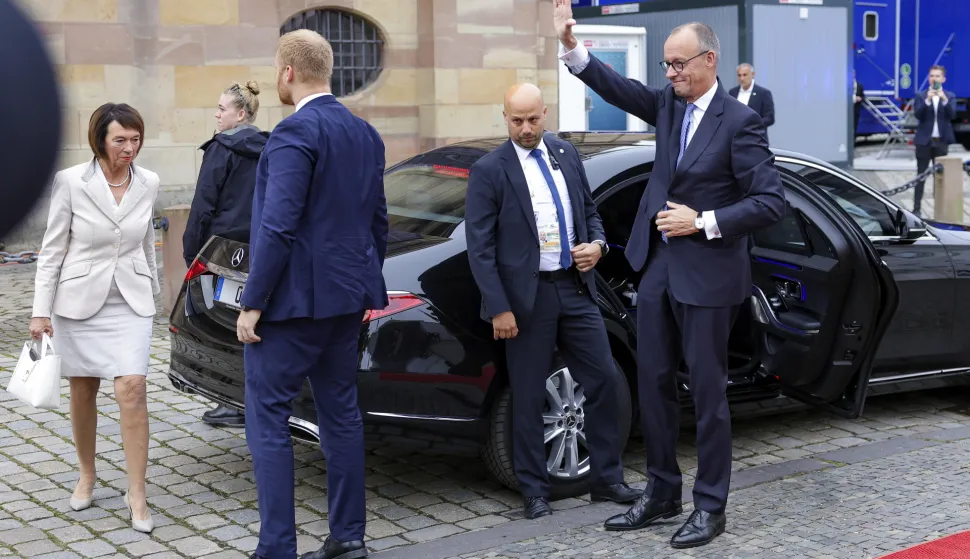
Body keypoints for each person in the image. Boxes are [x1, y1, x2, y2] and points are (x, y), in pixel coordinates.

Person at [554, 1, 785, 548]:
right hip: (657, 268)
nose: (672, 73)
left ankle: (711, 507)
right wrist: (572, 47)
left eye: (679, 64)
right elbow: (618, 89)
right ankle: (661, 495)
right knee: (653, 384)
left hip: (710, 276)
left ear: (709, 60)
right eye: (666, 65)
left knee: (707, 394)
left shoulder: (742, 123)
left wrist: (702, 220)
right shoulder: (669, 105)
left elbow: (770, 203)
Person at [236, 29, 387, 559]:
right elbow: (378, 224)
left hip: (291, 306)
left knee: (268, 418)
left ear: (287, 73)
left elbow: (277, 226)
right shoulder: (366, 135)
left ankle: (277, 548)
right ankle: (349, 538)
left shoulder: (293, 132)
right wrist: (362, 284)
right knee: (340, 414)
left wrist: (253, 300)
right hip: (346, 301)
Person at [465, 83, 641, 520]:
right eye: (517, 120)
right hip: (527, 299)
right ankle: (534, 490)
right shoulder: (490, 170)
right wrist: (499, 307)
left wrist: (597, 245)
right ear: (504, 117)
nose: (526, 129)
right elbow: (480, 248)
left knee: (603, 381)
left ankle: (607, 480)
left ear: (546, 113)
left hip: (576, 288)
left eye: (533, 119)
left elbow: (590, 212)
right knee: (526, 396)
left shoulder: (565, 154)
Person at [29, 103, 160, 534]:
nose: (129, 148)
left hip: (131, 302)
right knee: (83, 389)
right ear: (100, 140)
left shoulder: (149, 182)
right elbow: (52, 250)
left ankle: (136, 493)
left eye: (135, 139)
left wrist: (155, 294)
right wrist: (40, 311)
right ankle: (87, 474)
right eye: (120, 139)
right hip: (79, 301)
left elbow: (144, 245)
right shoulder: (71, 182)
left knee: (133, 388)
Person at [184, 80, 269, 428]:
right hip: (260, 249)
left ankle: (233, 402)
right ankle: (253, 400)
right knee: (253, 326)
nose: (217, 114)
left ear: (241, 113)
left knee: (222, 326)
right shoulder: (271, 146)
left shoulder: (222, 148)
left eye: (222, 108)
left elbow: (204, 204)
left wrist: (191, 253)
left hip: (221, 252)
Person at [912, 65, 956, 216]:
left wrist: (944, 100)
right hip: (924, 142)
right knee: (920, 175)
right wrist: (928, 100)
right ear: (929, 78)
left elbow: (952, 115)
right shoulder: (921, 95)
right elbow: (917, 115)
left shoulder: (950, 96)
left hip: (941, 141)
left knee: (940, 177)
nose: (934, 79)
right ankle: (916, 208)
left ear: (943, 79)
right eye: (932, 76)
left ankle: (940, 208)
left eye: (937, 76)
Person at [729, 63, 775, 141]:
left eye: (745, 75)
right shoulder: (733, 93)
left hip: (757, 139)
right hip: (736, 139)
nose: (742, 78)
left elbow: (769, 118)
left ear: (753, 74)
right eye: (739, 75)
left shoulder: (763, 93)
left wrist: (752, 126)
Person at [853, 69, 865, 138]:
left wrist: (860, 98)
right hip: (846, 110)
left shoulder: (859, 86)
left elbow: (863, 97)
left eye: (853, 73)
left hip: (856, 109)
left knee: (854, 126)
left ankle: (853, 142)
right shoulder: (844, 85)